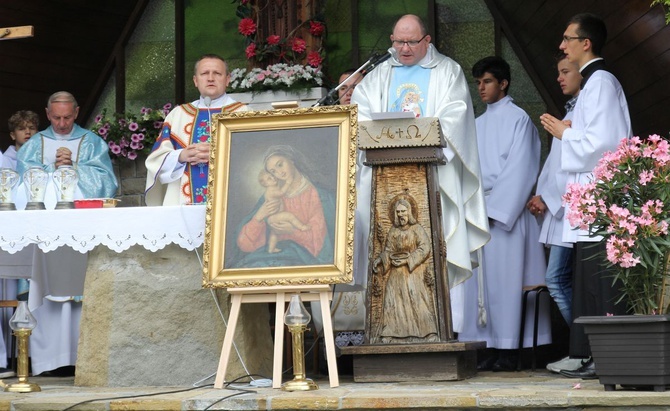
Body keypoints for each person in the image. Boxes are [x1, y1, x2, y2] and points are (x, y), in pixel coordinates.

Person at [351, 14, 490, 335]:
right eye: (398, 42)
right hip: (384, 176)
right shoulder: (379, 74)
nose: (404, 49)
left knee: (439, 246)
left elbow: (455, 116)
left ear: (427, 41)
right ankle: (384, 328)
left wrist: (421, 128)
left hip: (433, 175)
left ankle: (443, 329)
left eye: (412, 42)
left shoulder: (447, 71)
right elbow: (360, 110)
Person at [540, 13, 631, 379]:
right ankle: (587, 354)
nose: (562, 46)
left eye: (567, 38)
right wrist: (570, 132)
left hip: (601, 198)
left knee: (601, 282)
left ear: (586, 43)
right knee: (588, 281)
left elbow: (604, 143)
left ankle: (604, 356)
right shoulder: (593, 84)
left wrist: (565, 133)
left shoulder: (602, 82)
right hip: (590, 197)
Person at [458, 56, 550, 371]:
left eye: (487, 81)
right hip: (480, 211)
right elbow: (466, 170)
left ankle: (511, 351)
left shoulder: (519, 119)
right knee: (483, 286)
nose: (480, 88)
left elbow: (522, 169)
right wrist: (471, 208)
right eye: (478, 83)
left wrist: (495, 210)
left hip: (506, 216)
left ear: (503, 83)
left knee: (509, 284)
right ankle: (488, 349)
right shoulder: (476, 124)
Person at [16, 91, 117, 377]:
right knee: (44, 291)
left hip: (79, 237)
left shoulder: (93, 142)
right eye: (57, 118)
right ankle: (47, 362)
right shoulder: (34, 144)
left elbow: (107, 183)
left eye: (68, 117)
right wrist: (51, 168)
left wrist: (73, 167)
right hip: (44, 237)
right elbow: (22, 183)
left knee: (80, 291)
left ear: (77, 112)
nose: (62, 124)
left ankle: (82, 357)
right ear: (47, 114)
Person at [527, 55, 583, 374]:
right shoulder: (570, 110)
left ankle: (585, 345)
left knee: (556, 279)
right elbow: (553, 162)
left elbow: (573, 162)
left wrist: (548, 197)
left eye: (566, 72)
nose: (560, 78)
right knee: (559, 280)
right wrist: (541, 194)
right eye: (558, 72)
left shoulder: (582, 111)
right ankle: (583, 346)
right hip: (560, 208)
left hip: (569, 208)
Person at [145, 54, 248, 206]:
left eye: (217, 73)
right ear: (195, 80)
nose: (210, 78)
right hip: (183, 203)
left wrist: (220, 154)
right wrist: (181, 156)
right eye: (205, 73)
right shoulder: (178, 115)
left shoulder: (243, 113)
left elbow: (253, 157)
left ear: (227, 79)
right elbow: (156, 160)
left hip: (230, 202)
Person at [231, 145, 335, 268]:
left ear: (291, 160)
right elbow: (245, 244)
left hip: (302, 260)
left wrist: (293, 231)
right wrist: (259, 216)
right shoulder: (273, 197)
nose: (279, 173)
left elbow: (320, 246)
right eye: (273, 171)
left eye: (280, 165)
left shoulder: (318, 195)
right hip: (272, 259)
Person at [372, 196, 438, 344]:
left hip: (412, 272)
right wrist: (379, 260)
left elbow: (425, 247)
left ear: (409, 212)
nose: (401, 215)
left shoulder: (417, 229)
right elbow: (388, 250)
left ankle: (427, 333)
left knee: (416, 298)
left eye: (403, 211)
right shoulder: (393, 231)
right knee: (391, 299)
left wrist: (409, 259)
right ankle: (390, 333)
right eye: (398, 212)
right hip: (395, 272)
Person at [257, 169, 310, 253]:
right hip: (274, 216)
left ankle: (271, 249)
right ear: (265, 184)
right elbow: (281, 192)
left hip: (274, 217)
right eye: (269, 179)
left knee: (274, 234)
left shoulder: (274, 187)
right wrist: (288, 182)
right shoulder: (270, 190)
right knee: (289, 216)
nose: (273, 178)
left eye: (272, 176)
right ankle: (302, 227)